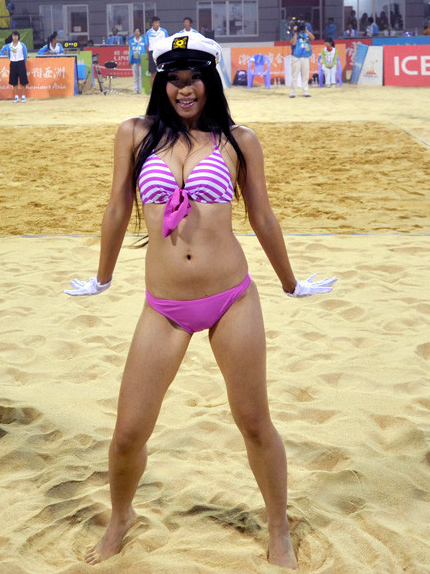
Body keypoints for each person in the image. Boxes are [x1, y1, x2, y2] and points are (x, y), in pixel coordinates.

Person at [66, 31, 336, 569]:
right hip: (163, 306)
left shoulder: (239, 140)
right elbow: (117, 209)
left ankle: (278, 527)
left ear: (211, 80)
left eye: (194, 78)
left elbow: (262, 217)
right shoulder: (135, 133)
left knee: (254, 422)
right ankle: (121, 518)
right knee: (127, 433)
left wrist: (290, 282)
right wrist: (102, 278)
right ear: (161, 83)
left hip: (231, 298)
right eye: (174, 78)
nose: (183, 89)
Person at [0, 30, 28, 103]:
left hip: (21, 62)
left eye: (16, 36)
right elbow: (8, 55)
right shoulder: (9, 46)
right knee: (14, 81)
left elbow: (25, 54)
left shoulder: (22, 45)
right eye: (13, 36)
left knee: (23, 81)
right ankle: (16, 97)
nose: (15, 37)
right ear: (12, 37)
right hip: (13, 63)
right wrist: (12, 60)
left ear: (18, 37)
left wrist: (23, 62)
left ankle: (23, 96)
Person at [289, 20, 313, 98]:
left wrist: (306, 30)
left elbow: (313, 38)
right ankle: (292, 93)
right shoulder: (294, 33)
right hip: (296, 57)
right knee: (294, 76)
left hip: (305, 56)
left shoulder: (306, 34)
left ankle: (306, 92)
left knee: (305, 76)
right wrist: (296, 32)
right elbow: (293, 43)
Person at [144, 16, 168, 85]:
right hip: (152, 53)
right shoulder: (148, 32)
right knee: (153, 73)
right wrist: (148, 55)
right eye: (156, 22)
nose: (157, 24)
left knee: (162, 72)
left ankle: (162, 88)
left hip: (161, 53)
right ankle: (153, 90)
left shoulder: (163, 31)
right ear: (152, 23)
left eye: (158, 22)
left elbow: (167, 42)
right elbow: (146, 44)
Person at [127, 27, 145, 94]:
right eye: (136, 31)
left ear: (140, 33)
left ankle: (141, 89)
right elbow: (130, 51)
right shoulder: (131, 41)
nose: (137, 33)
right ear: (134, 33)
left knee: (141, 75)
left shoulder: (144, 40)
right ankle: (135, 89)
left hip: (142, 60)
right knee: (135, 76)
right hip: (134, 60)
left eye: (138, 31)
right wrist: (129, 60)